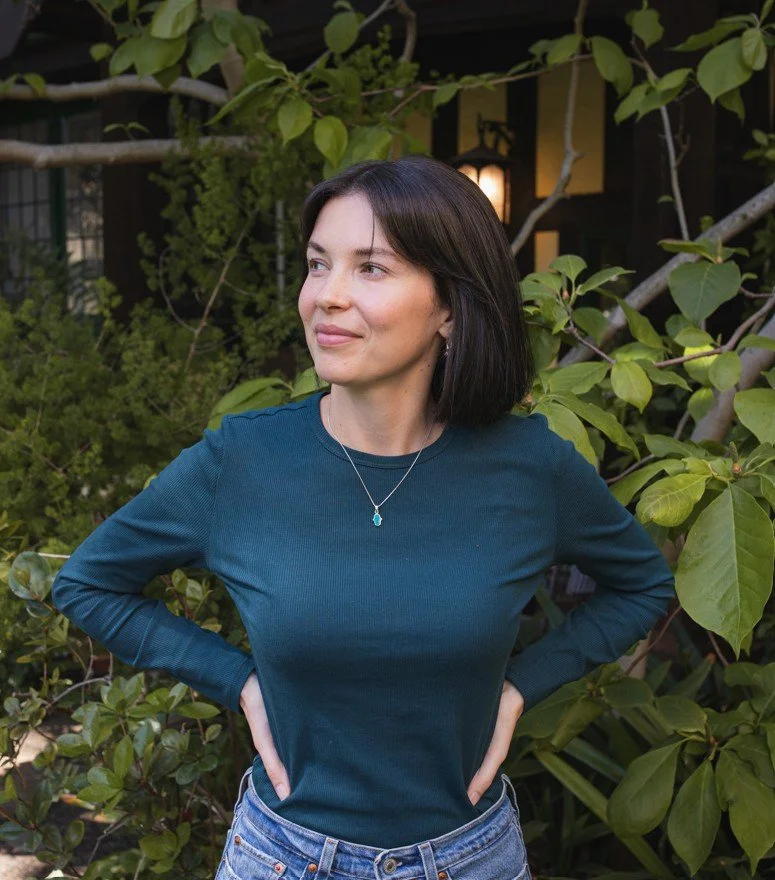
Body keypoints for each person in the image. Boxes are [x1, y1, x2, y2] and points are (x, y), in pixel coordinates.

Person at [50, 154, 676, 880]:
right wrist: (238, 681)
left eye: (370, 268)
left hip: (470, 859)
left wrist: (519, 690)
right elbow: (87, 583)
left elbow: (642, 585)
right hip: (283, 859)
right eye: (318, 265)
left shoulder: (531, 468)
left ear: (450, 306)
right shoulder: (242, 462)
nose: (327, 296)